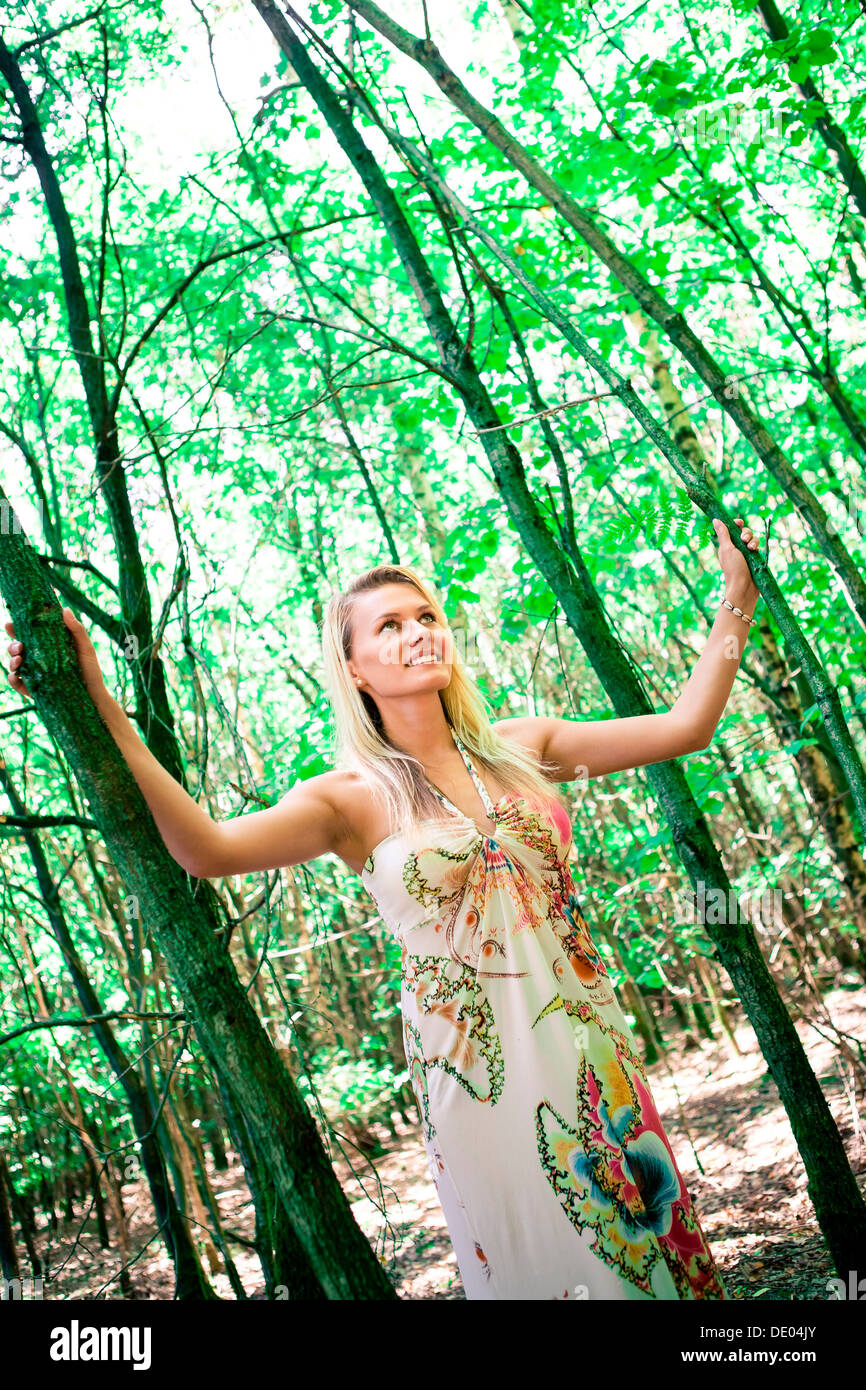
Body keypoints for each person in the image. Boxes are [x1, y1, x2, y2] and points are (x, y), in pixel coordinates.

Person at [5, 517, 762, 1300]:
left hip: (588, 1040)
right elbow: (207, 850)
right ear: (354, 668)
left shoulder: (523, 747)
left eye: (426, 616)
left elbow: (688, 727)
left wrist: (736, 598)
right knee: (552, 1265)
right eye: (390, 626)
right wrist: (99, 701)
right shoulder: (346, 800)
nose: (418, 633)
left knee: (645, 1250)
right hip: (476, 1073)